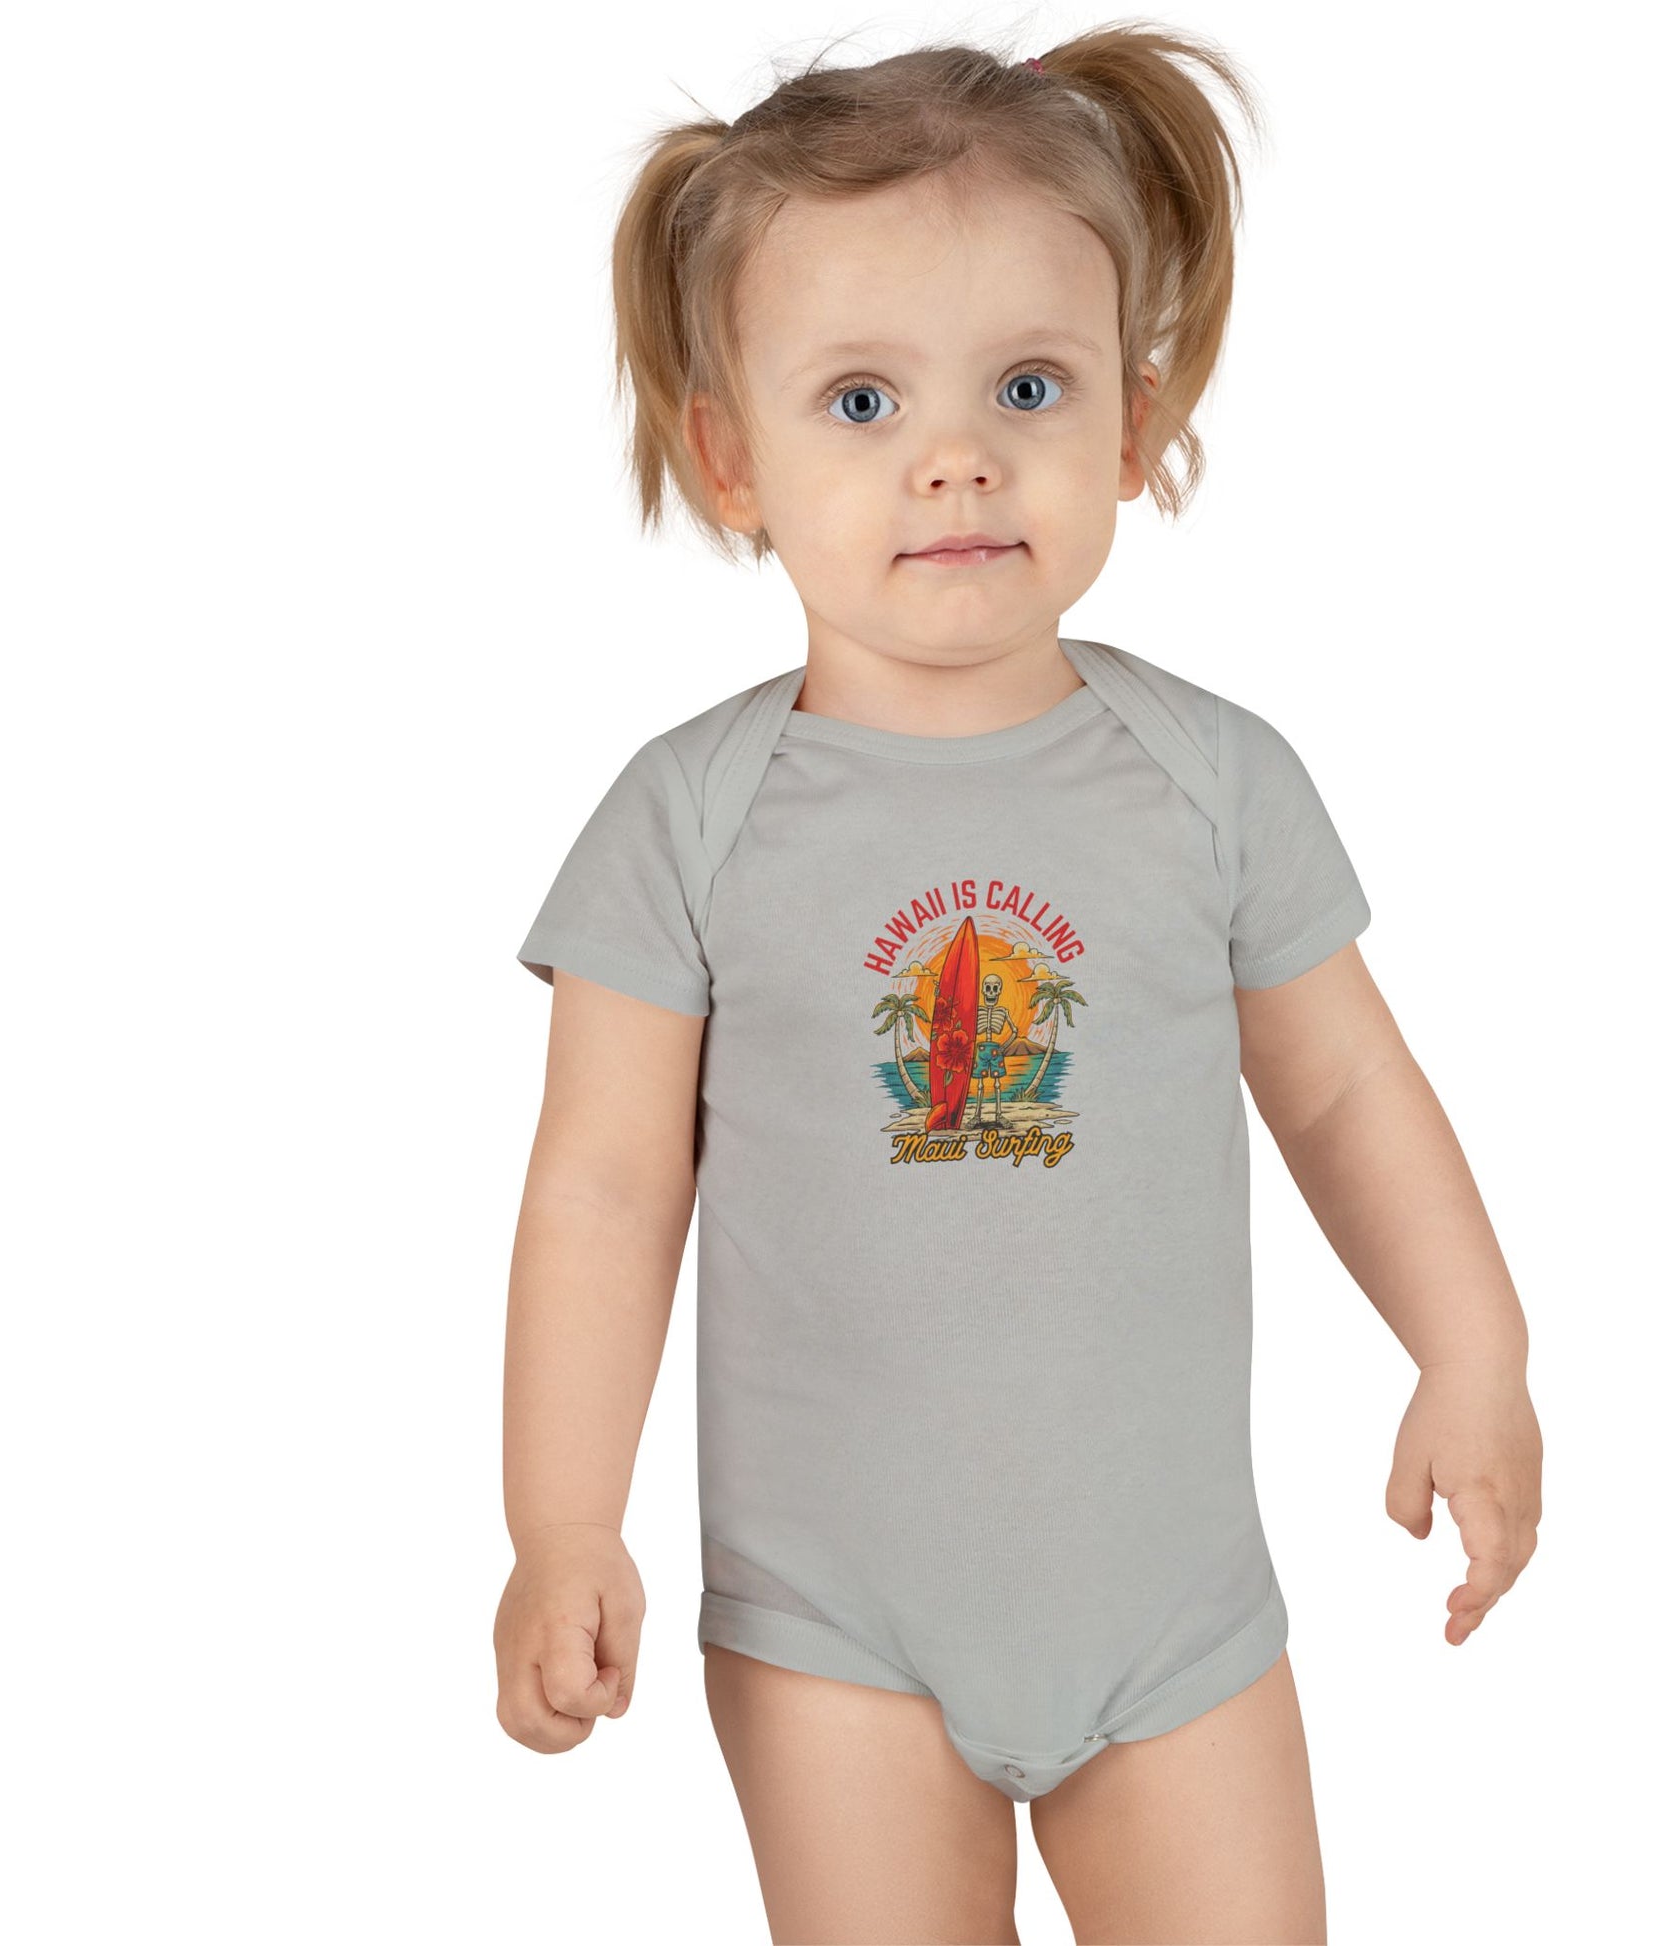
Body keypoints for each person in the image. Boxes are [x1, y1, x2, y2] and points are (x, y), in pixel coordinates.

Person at [492, 23, 1542, 1943]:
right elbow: (605, 1190)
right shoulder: (687, 817)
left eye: (1028, 385)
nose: (957, 453)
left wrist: (1474, 1347)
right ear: (730, 454)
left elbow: (1344, 1090)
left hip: (1176, 1619)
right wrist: (560, 1523)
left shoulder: (1213, 778)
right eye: (861, 399)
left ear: (1131, 426)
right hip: (833, 1627)